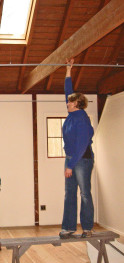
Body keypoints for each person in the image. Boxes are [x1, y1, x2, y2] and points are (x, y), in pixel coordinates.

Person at [59, 58, 95, 239]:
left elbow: (82, 145)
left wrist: (70, 165)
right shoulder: (72, 115)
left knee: (85, 193)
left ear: (76, 104)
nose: (67, 102)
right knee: (69, 194)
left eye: (70, 101)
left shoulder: (81, 119)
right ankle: (68, 227)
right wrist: (68, 69)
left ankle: (87, 228)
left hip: (82, 159)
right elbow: (68, 89)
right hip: (72, 159)